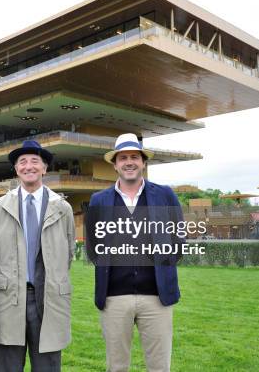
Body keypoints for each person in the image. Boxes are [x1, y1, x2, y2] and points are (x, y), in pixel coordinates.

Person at [89, 133, 184, 372]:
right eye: (123, 158)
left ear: (143, 162)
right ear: (115, 164)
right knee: (117, 367)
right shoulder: (99, 200)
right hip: (114, 298)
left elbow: (178, 239)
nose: (129, 162)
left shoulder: (164, 195)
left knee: (159, 367)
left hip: (157, 297)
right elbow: (93, 247)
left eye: (134, 157)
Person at [0, 140, 75, 372]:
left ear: (45, 168)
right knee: (6, 366)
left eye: (35, 161)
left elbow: (68, 255)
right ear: (16, 169)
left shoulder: (62, 208)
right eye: (22, 162)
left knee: (47, 365)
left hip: (48, 297)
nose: (28, 166)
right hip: (8, 298)